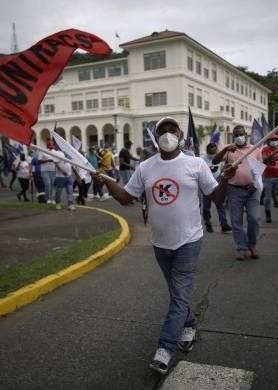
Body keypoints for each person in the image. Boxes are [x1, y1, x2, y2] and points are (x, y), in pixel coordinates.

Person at [91, 117, 235, 375]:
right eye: (162, 131)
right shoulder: (146, 167)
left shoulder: (195, 163)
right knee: (178, 294)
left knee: (179, 293)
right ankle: (189, 324)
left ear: (180, 134)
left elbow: (217, 198)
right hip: (160, 242)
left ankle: (165, 348)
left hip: (189, 240)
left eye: (172, 130)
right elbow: (126, 197)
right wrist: (107, 181)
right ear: (155, 137)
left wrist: (225, 179)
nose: (167, 134)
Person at [213, 125, 263, 260]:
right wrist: (224, 149)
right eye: (236, 136)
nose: (238, 137)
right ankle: (241, 247)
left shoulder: (255, 149)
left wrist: (255, 184)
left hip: (252, 190)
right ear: (233, 137)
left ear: (246, 135)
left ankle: (252, 245)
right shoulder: (230, 150)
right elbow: (214, 161)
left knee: (254, 218)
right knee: (236, 220)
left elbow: (259, 171)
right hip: (234, 190)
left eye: (241, 134)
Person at [202, 143, 232, 233]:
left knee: (220, 205)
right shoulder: (202, 159)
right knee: (207, 207)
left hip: (217, 185)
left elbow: (223, 170)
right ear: (207, 150)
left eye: (214, 150)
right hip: (206, 185)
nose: (213, 152)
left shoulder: (220, 158)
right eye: (211, 150)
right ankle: (208, 223)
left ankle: (224, 224)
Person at [39, 140, 57, 204]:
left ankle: (52, 198)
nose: (51, 148)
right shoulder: (42, 151)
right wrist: (47, 160)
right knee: (48, 184)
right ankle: (47, 198)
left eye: (52, 146)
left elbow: (57, 161)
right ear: (47, 145)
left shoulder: (55, 152)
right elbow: (39, 161)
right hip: (44, 170)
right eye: (49, 146)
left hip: (53, 170)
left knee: (52, 185)